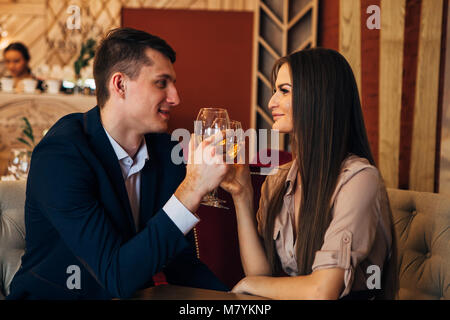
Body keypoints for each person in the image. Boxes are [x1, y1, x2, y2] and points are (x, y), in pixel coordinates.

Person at [7, 28, 230, 299]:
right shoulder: (62, 155)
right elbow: (115, 277)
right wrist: (192, 188)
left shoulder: (166, 150)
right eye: (161, 83)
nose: (175, 97)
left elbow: (179, 263)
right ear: (120, 84)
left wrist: (235, 300)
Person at [221, 48, 398, 300]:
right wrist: (241, 195)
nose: (271, 102)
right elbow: (261, 275)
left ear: (318, 97)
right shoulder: (279, 178)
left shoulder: (359, 179)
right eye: (274, 91)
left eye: (284, 91)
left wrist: (248, 284)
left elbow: (322, 291)